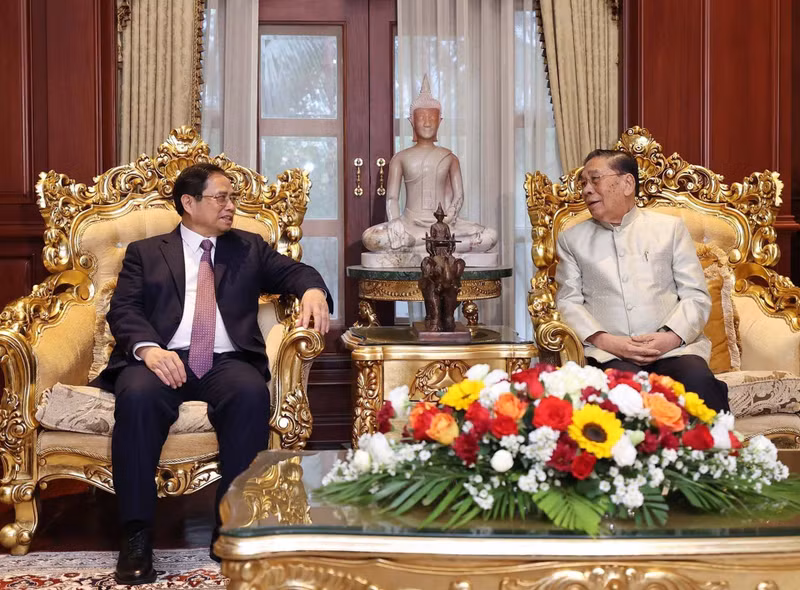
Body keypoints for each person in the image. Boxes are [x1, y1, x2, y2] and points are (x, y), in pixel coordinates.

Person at [92, 163, 332, 585]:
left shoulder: (248, 247)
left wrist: (313, 289)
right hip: (162, 358)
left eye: (232, 197)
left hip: (225, 360)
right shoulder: (146, 253)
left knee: (250, 393)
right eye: (221, 198)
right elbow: (124, 310)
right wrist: (148, 350)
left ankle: (231, 524)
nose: (231, 206)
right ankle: (136, 535)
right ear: (189, 203)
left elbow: (296, 272)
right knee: (138, 397)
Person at [554, 149, 729, 412]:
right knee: (627, 395)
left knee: (699, 382)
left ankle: (718, 452)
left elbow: (695, 295)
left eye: (595, 179)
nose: (587, 190)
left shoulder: (668, 230)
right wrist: (608, 342)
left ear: (627, 183)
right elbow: (568, 302)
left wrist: (671, 338)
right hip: (608, 354)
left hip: (673, 350)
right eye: (584, 183)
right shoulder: (572, 239)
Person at [361, 75, 497, 267]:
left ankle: (421, 245)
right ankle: (431, 245)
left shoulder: (449, 157)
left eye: (431, 118)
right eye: (422, 118)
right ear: (411, 121)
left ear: (439, 121)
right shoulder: (400, 158)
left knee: (490, 236)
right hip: (410, 224)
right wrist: (395, 223)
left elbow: (459, 196)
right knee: (371, 238)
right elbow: (391, 198)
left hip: (445, 228)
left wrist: (451, 213)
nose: (426, 123)